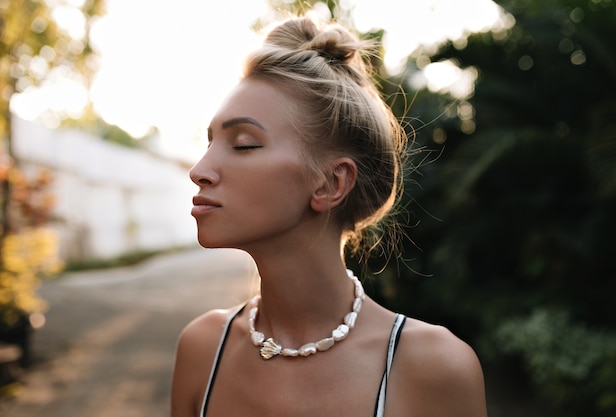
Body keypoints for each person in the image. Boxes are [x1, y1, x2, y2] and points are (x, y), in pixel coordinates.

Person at [171, 15, 488, 417]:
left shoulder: (435, 368)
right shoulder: (202, 349)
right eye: (210, 142)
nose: (199, 169)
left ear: (331, 183)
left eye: (244, 144)